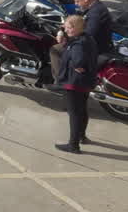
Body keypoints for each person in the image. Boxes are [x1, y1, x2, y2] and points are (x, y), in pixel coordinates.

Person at [54, 14, 97, 154]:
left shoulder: (78, 44)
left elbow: (78, 61)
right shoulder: (87, 38)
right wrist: (62, 33)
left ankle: (73, 145)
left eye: (68, 28)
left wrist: (74, 65)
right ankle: (81, 136)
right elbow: (68, 30)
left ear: (75, 28)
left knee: (74, 113)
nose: (65, 30)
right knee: (82, 110)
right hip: (85, 82)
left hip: (74, 83)